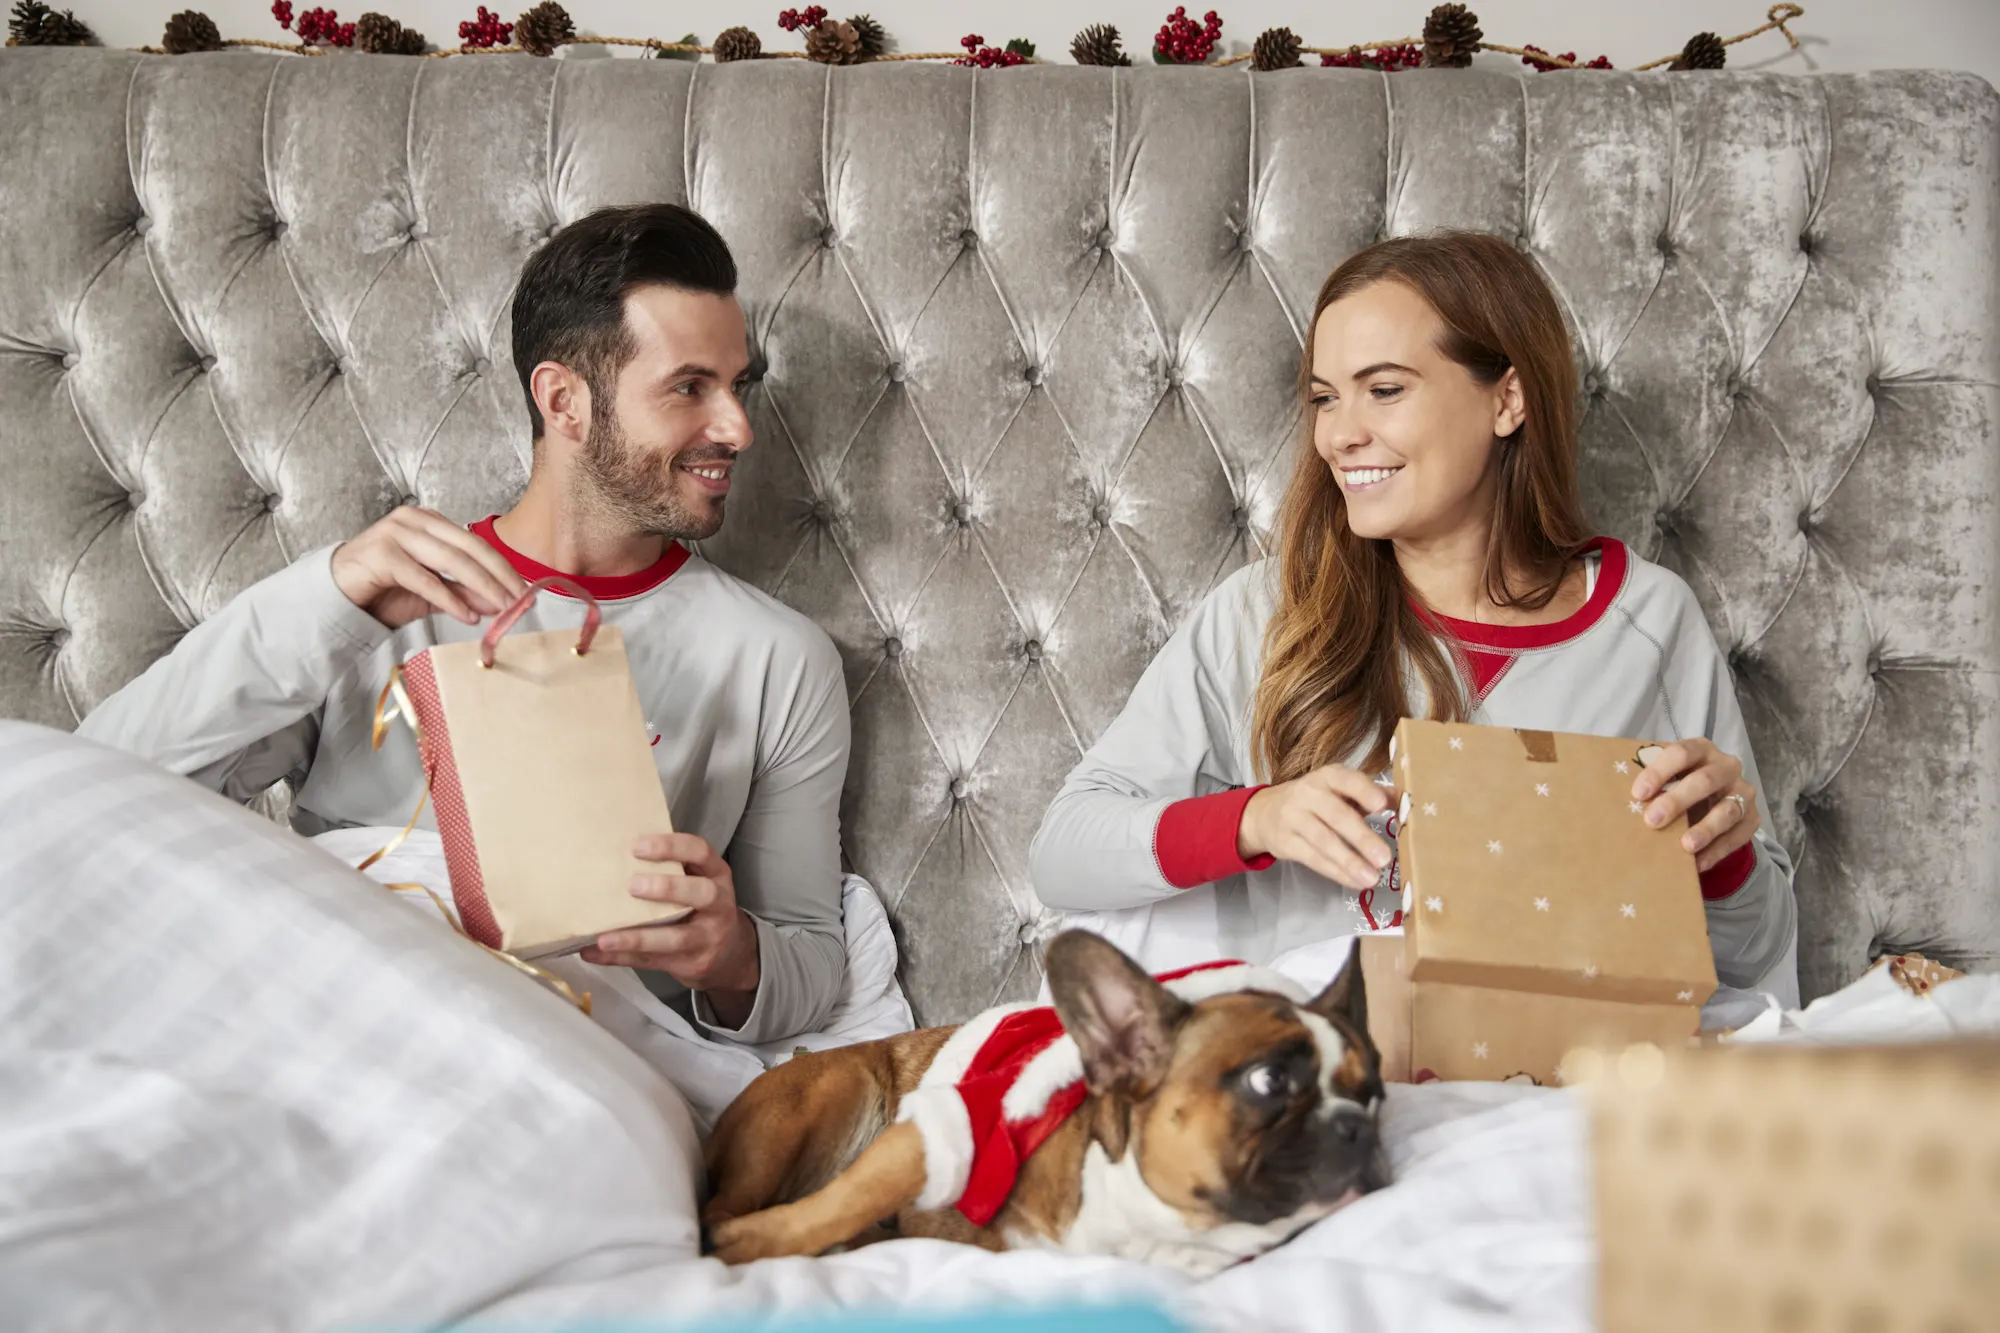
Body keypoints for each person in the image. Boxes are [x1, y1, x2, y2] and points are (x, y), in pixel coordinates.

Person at [78, 204, 851, 1044]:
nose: (738, 427)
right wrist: (327, 603)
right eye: (690, 387)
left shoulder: (780, 658)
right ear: (564, 400)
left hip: (572, 1059)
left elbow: (811, 963)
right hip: (326, 1029)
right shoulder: (371, 605)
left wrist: (734, 957)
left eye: (738, 386)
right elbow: (96, 796)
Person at [1028, 231, 1797, 1003]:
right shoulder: (1265, 614)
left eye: (1384, 389)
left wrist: (1720, 856)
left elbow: (1749, 957)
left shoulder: (1650, 622)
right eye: (1325, 397)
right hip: (1330, 1092)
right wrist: (1256, 819)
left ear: (1508, 398)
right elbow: (1064, 852)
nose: (1338, 434)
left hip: (1553, 1090)